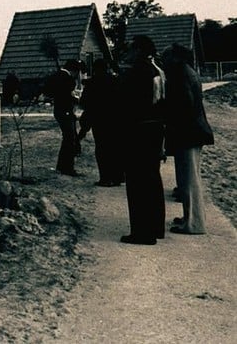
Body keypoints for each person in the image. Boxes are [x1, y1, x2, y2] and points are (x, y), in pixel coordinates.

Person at [118, 35, 166, 245]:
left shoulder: (137, 72)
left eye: (131, 49)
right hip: (155, 130)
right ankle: (155, 227)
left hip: (137, 132)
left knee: (137, 183)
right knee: (152, 180)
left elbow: (126, 105)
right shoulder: (157, 70)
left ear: (138, 50)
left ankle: (141, 232)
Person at [161, 43, 214, 234]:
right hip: (193, 132)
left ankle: (194, 224)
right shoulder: (187, 71)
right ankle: (189, 218)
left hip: (188, 132)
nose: (163, 60)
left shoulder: (180, 74)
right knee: (188, 179)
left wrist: (164, 111)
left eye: (166, 57)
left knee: (189, 180)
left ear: (175, 57)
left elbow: (183, 105)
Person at [78, 59, 123, 186]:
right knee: (116, 147)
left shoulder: (92, 83)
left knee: (102, 149)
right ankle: (118, 176)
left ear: (95, 68)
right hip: (115, 120)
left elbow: (84, 103)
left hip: (99, 120)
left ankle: (106, 178)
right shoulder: (116, 80)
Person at [46, 59, 82, 176]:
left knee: (67, 138)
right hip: (65, 110)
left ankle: (61, 166)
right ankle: (67, 167)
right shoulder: (67, 79)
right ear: (74, 71)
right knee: (70, 139)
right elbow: (66, 95)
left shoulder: (56, 75)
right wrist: (76, 100)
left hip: (59, 110)